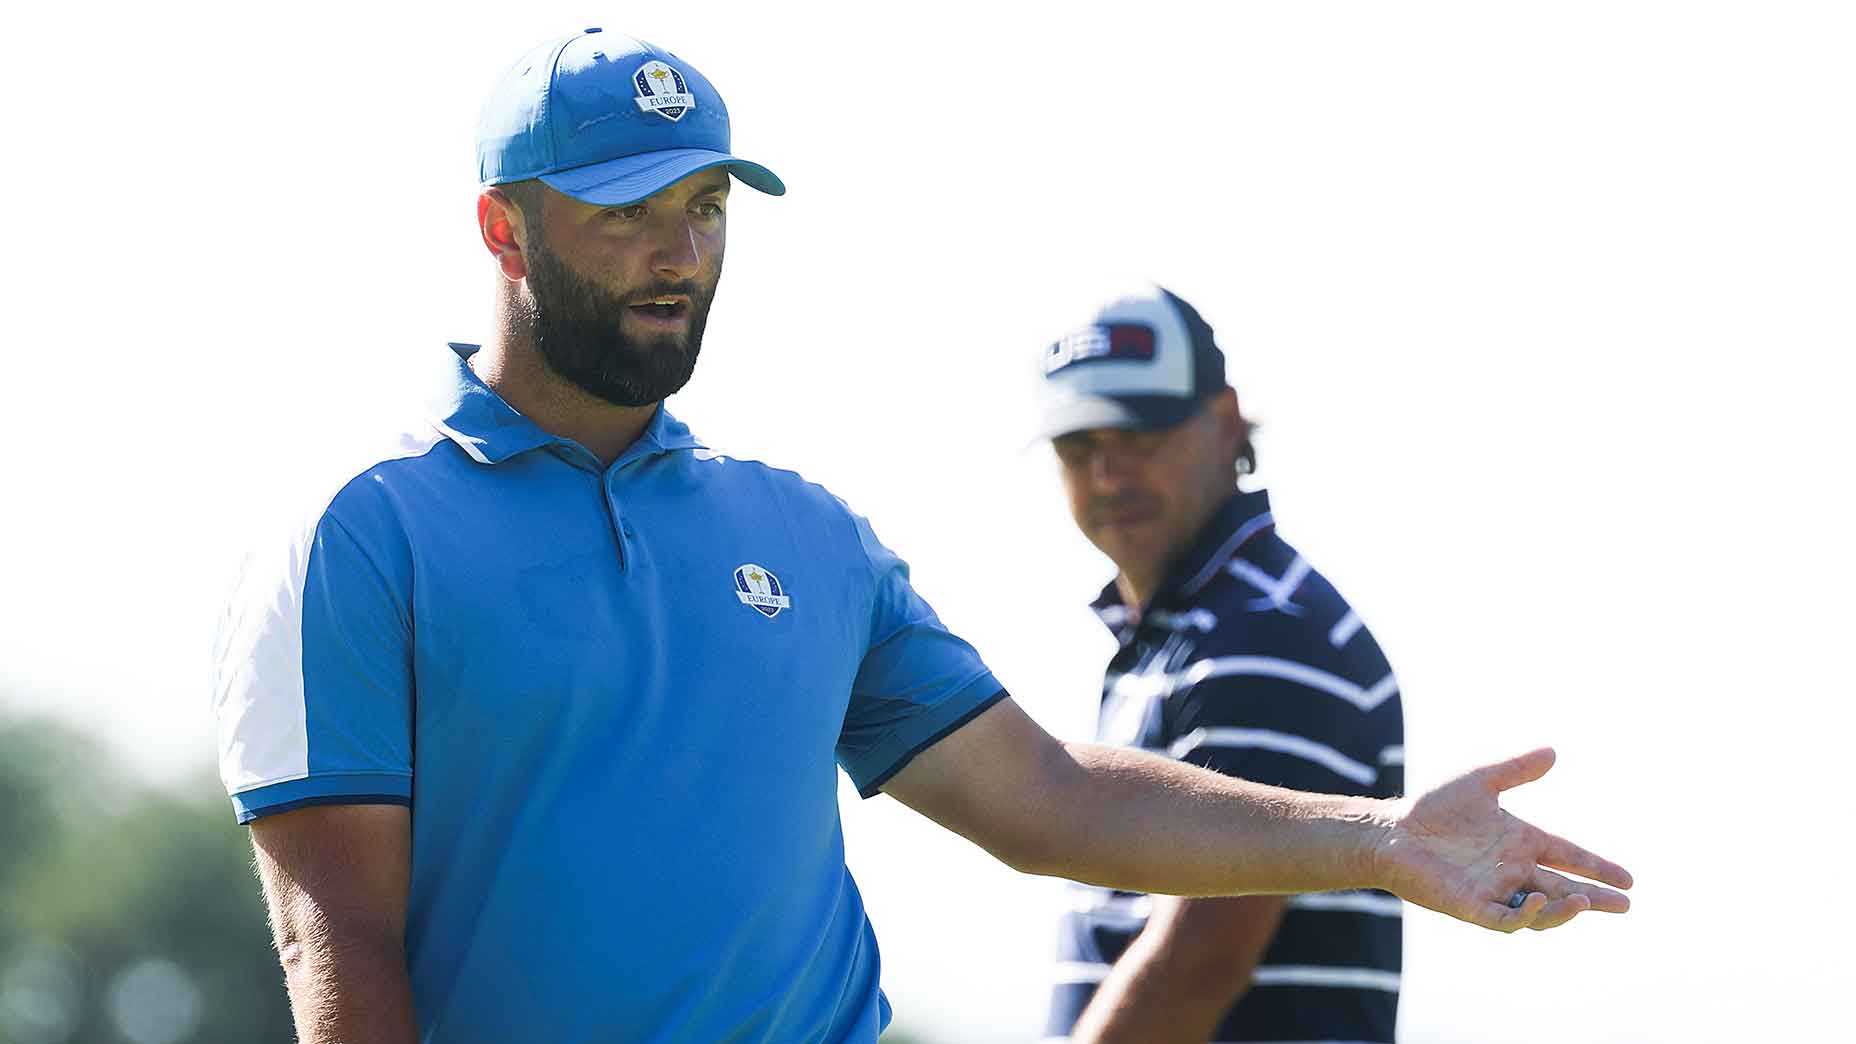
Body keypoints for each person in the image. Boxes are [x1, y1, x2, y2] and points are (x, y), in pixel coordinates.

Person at [211, 29, 1632, 1044]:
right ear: (504, 232)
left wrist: (1381, 840)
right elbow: (339, 942)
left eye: (704, 208)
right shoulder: (365, 535)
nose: (679, 253)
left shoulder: (808, 536)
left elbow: (1052, 800)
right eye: (628, 212)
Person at [1035, 286, 1405, 1044]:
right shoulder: (1192, 629)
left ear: (1225, 420)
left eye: (1139, 436)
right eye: (1079, 448)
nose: (1106, 475)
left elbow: (1197, 962)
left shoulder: (1264, 633)